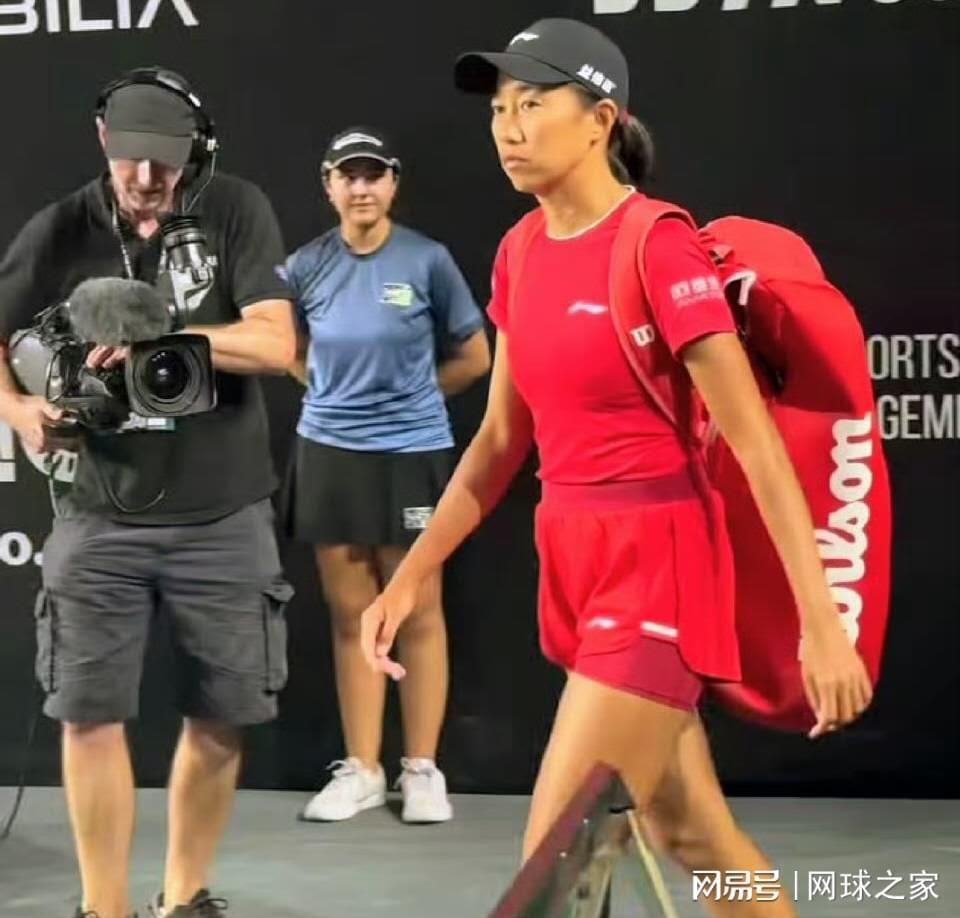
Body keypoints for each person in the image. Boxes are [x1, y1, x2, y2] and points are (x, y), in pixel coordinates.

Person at [359, 19, 873, 916]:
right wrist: (408, 579)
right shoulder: (520, 251)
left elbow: (753, 444)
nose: (509, 128)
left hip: (659, 565)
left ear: (600, 120)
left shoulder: (656, 244)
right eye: (500, 110)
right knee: (694, 839)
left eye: (533, 104)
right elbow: (498, 442)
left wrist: (821, 626)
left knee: (552, 869)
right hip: (573, 559)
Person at [0, 67, 296, 918]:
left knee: (221, 714)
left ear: (195, 149)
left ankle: (184, 895)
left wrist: (166, 336)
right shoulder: (61, 228)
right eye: (129, 157)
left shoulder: (236, 208)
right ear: (103, 140)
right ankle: (106, 908)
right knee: (87, 715)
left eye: (164, 159)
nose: (145, 177)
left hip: (224, 511)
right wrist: (19, 410)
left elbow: (276, 345)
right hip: (99, 511)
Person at [280, 127, 490, 823]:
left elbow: (475, 357)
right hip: (329, 453)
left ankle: (421, 769)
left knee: (418, 611)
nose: (362, 188)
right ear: (329, 185)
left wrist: (411, 400)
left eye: (374, 175)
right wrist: (331, 393)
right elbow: (283, 345)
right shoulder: (304, 266)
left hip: (412, 453)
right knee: (352, 614)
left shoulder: (427, 260)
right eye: (349, 176)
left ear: (393, 183)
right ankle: (364, 769)